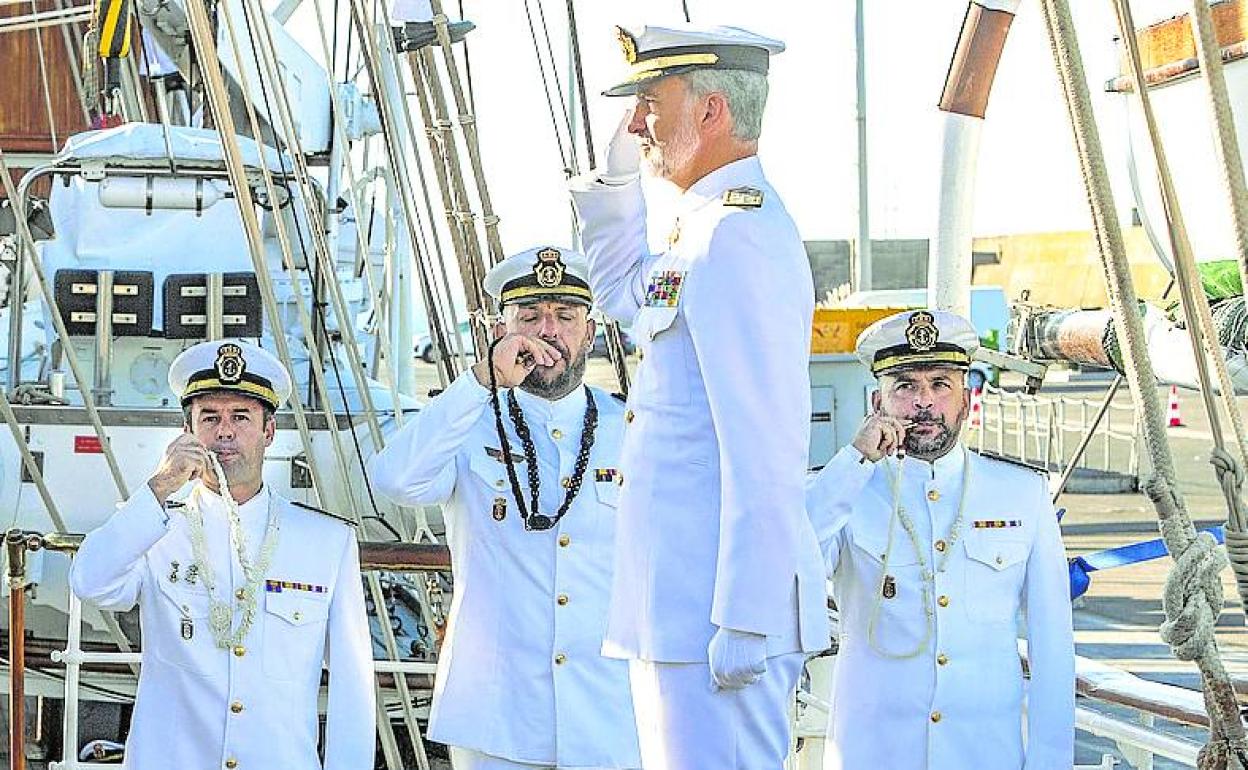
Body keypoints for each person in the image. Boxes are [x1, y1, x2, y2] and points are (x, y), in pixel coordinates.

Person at [567, 24, 828, 770]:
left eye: (651, 102)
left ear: (711, 110)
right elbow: (621, 293)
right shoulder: (700, 230)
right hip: (678, 605)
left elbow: (766, 442)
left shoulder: (739, 236)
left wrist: (747, 614)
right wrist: (615, 183)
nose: (637, 124)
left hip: (715, 610)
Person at [369, 246, 641, 770]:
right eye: (529, 317)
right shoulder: (467, 420)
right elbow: (395, 480)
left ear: (589, 332)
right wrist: (482, 380)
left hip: (607, 713)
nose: (548, 331)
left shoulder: (631, 430)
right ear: (501, 330)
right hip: (496, 716)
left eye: (565, 316)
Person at [70, 339, 375, 770]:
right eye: (210, 417)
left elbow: (352, 686)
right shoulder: (153, 527)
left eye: (241, 417)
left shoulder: (325, 541)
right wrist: (160, 485)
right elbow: (90, 582)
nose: (225, 432)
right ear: (187, 431)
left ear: (269, 431)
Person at [806, 309, 1075, 770]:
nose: (924, 402)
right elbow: (791, 562)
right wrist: (852, 462)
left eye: (940, 385)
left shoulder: (1022, 493)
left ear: (965, 401)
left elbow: (1053, 648)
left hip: (984, 755)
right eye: (905, 386)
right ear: (877, 403)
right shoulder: (843, 489)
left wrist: (1049, 762)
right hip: (874, 755)